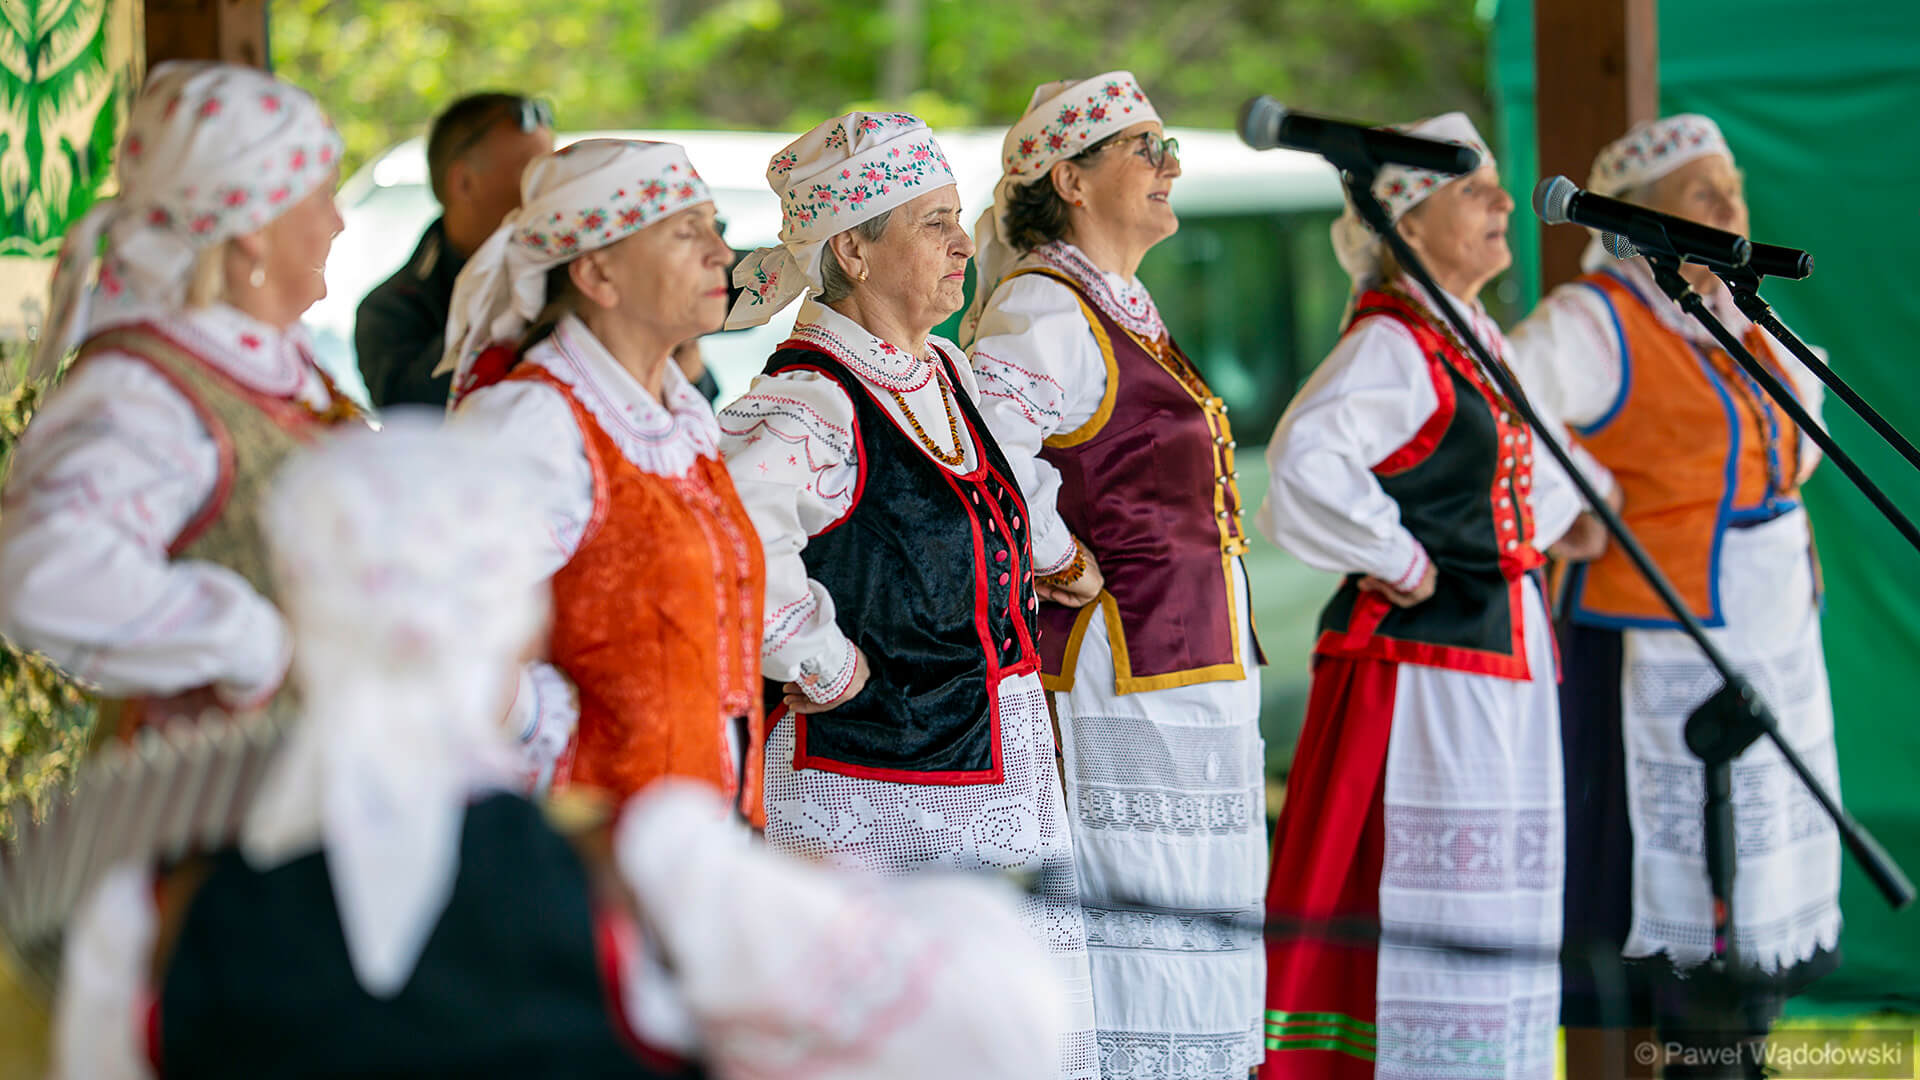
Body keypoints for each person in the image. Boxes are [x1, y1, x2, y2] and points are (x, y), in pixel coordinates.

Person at [44, 421, 1068, 1080]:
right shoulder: (645, 884)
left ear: (302, 626)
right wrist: (858, 888)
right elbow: (1002, 1027)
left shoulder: (150, 926)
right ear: (522, 626)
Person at [716, 111, 1100, 1080]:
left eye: (956, 219)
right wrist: (822, 658)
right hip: (875, 788)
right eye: (933, 223)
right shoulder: (811, 400)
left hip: (991, 774)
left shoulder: (948, 374)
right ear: (852, 246)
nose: (963, 242)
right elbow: (732, 540)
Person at [1257, 114, 1600, 1080]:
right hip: (1431, 673)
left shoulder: (1472, 335)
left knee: (1500, 904)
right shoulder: (1397, 346)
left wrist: (1560, 518)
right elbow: (1306, 462)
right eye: (1474, 187)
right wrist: (1404, 564)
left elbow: (1524, 469)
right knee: (1436, 906)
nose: (1502, 202)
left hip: (1498, 662)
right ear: (1406, 221)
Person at [1506, 115, 1840, 1077]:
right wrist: (1582, 503)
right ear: (1643, 219)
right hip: (1654, 643)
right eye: (1703, 193)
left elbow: (1800, 450)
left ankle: (1743, 1042)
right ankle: (1699, 1053)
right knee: (1681, 867)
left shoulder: (1741, 316)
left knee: (1759, 862)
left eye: (1732, 186)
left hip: (1771, 626)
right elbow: (1508, 425)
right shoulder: (1591, 322)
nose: (1730, 209)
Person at [963, 71, 1267, 1078]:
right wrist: (1058, 554)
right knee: (1146, 917)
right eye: (1145, 147)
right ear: (1072, 179)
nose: (1168, 164)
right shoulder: (1043, 308)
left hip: (1188, 674)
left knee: (1201, 916)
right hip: (1120, 679)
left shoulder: (1118, 304)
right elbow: (983, 450)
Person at [0, 62, 358, 735]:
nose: (337, 222)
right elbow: (41, 570)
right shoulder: (144, 392)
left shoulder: (268, 355)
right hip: (224, 811)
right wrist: (252, 643)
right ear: (255, 224)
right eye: (320, 197)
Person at [444, 139, 766, 812]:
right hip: (593, 843)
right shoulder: (534, 421)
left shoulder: (678, 416)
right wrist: (562, 731)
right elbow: (446, 633)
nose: (722, 254)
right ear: (598, 276)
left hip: (701, 833)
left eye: (715, 228)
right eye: (686, 233)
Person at [354, 92, 554, 408]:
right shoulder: (390, 312)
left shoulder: (578, 273)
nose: (553, 188)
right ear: (464, 183)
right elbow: (411, 415)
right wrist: (497, 296)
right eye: (533, 172)